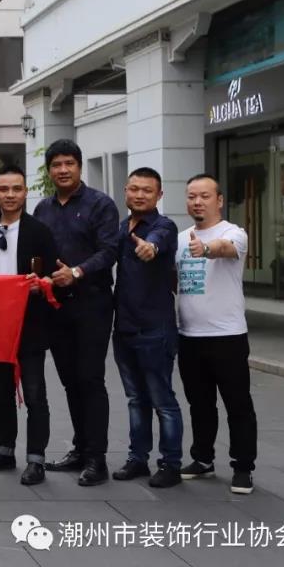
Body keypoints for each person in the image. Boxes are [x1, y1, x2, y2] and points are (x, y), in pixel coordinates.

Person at [33, 139, 118, 486]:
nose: (63, 170)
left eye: (69, 163)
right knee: (69, 380)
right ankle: (80, 449)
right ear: (49, 170)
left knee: (90, 379)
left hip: (91, 303)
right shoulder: (43, 208)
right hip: (55, 306)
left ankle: (97, 459)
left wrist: (78, 272)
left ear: (79, 167)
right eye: (57, 165)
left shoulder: (101, 204)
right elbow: (37, 253)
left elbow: (110, 251)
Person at [0, 165, 59, 486]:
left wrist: (42, 282)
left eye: (17, 189)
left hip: (31, 324)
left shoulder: (40, 231)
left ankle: (36, 459)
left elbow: (51, 274)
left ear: (25, 192)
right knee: (1, 393)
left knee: (35, 394)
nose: (10, 195)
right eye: (4, 189)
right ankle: (5, 451)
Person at [176, 173, 257, 495]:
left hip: (228, 336)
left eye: (205, 196)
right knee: (199, 404)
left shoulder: (233, 233)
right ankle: (203, 458)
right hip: (189, 335)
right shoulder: (180, 238)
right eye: (192, 196)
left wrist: (207, 248)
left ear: (219, 200)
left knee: (238, 404)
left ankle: (243, 467)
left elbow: (225, 249)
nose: (197, 202)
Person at [110, 167, 182, 488]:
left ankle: (170, 464)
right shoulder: (121, 227)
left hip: (155, 329)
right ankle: (138, 459)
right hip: (124, 328)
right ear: (125, 191)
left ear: (159, 195)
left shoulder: (164, 226)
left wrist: (149, 247)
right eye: (134, 189)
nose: (139, 195)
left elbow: (156, 243)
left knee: (162, 401)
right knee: (135, 399)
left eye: (147, 190)